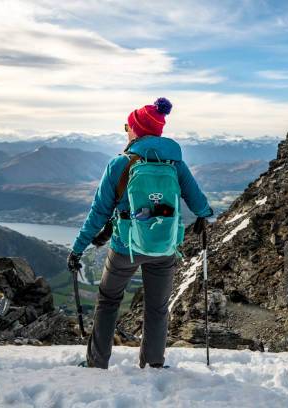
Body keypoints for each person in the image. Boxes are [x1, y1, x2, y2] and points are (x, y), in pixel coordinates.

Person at [67, 97, 213, 369]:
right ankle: (154, 364)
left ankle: (97, 362)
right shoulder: (175, 163)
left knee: (109, 301)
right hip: (164, 247)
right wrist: (204, 216)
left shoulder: (120, 164)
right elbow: (199, 202)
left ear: (137, 129)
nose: (126, 130)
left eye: (128, 126)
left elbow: (98, 213)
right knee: (157, 308)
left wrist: (77, 249)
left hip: (126, 248)